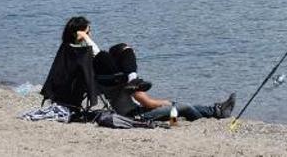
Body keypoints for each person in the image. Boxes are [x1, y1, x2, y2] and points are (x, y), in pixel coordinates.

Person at [94, 43, 236, 122]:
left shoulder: (106, 79)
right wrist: (166, 102)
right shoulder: (128, 81)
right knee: (182, 107)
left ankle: (215, 110)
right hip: (136, 115)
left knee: (177, 107)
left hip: (128, 112)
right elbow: (147, 103)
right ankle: (210, 116)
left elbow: (96, 53)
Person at [40, 16, 101, 110]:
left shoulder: (65, 48)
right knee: (105, 56)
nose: (90, 34)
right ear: (76, 33)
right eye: (88, 32)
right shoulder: (83, 51)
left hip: (64, 91)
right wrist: (86, 37)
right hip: (83, 84)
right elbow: (98, 54)